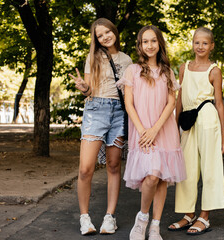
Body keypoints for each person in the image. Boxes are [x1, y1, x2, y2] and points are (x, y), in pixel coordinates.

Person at [117, 25, 186, 240]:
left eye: (153, 41)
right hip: (142, 130)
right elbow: (129, 104)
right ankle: (142, 219)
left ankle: (155, 226)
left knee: (161, 177)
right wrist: (143, 131)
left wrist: (155, 129)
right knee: (151, 176)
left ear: (159, 43)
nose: (149, 45)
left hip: (163, 129)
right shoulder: (133, 71)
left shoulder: (167, 71)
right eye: (145, 41)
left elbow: (171, 102)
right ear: (140, 45)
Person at [69, 18, 132, 235]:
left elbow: (130, 92)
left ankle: (109, 217)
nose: (105, 37)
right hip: (96, 110)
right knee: (86, 168)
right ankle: (84, 218)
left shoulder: (127, 59)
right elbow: (88, 89)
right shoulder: (92, 57)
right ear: (96, 39)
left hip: (119, 113)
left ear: (114, 31)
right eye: (100, 35)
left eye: (107, 32)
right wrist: (84, 87)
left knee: (114, 166)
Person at [168, 27, 224, 235]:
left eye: (205, 43)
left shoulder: (214, 70)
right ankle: (188, 214)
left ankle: (204, 216)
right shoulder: (184, 68)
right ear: (192, 44)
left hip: (208, 119)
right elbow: (179, 99)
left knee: (209, 167)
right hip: (188, 122)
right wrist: (174, 127)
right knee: (187, 168)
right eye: (197, 42)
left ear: (211, 46)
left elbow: (219, 104)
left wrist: (223, 136)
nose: (200, 46)